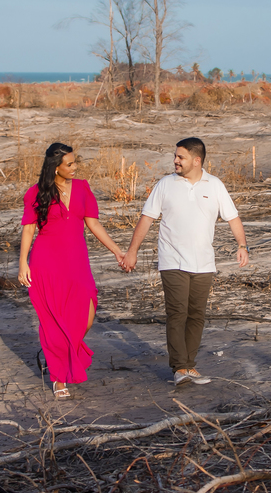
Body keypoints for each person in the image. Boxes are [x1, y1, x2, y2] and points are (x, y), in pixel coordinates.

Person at [122, 137, 249, 385]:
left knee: (196, 315)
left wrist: (242, 245)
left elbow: (233, 218)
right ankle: (180, 367)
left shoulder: (215, 185)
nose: (175, 161)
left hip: (204, 262)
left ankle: (189, 366)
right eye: (175, 156)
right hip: (172, 260)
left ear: (197, 160)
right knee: (177, 312)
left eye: (181, 157)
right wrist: (132, 252)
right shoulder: (165, 184)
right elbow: (146, 218)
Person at [19, 143, 126, 398]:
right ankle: (59, 377)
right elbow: (29, 228)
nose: (75, 167)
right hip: (46, 262)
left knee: (86, 313)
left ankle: (61, 356)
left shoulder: (82, 188)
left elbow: (93, 223)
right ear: (55, 168)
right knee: (54, 319)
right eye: (69, 164)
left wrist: (116, 250)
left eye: (75, 162)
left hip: (77, 261)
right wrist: (23, 263)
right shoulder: (35, 193)